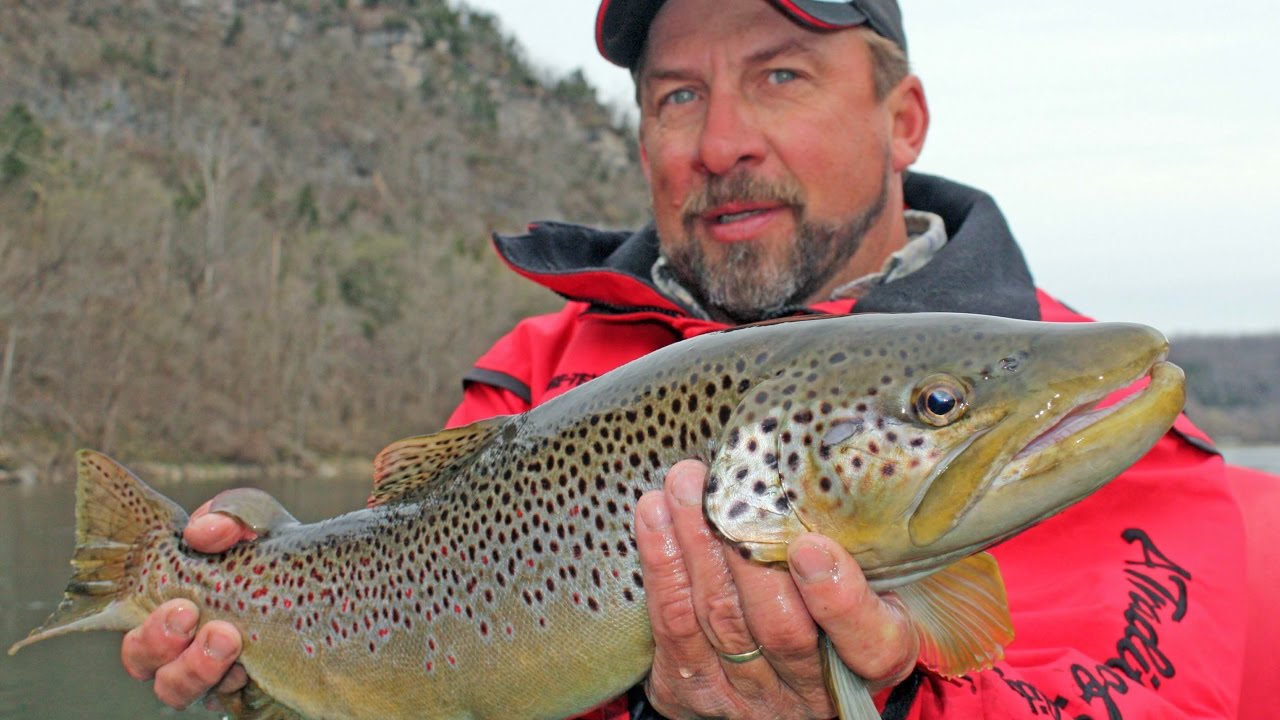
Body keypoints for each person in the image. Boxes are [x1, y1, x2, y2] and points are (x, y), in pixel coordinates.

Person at [121, 0, 1267, 717]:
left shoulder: (1150, 464)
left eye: (780, 75)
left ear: (902, 118)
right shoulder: (524, 372)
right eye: (678, 94)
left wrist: (896, 706)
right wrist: (264, 628)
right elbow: (418, 618)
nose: (721, 142)